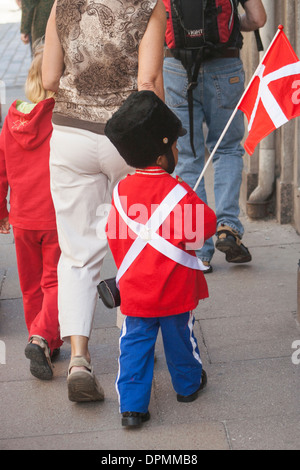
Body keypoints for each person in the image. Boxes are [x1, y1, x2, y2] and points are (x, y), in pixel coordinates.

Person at [42, 0, 167, 403]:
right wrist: (164, 142)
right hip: (124, 137)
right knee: (135, 242)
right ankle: (133, 338)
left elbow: (48, 79)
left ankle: (79, 357)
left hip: (70, 136)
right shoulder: (149, 5)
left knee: (77, 252)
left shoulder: (62, 4)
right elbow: (148, 81)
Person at [104, 90, 217, 428]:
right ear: (163, 154)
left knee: (134, 347)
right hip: (175, 293)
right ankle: (187, 385)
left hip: (137, 294)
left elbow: (114, 234)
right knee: (181, 339)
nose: (178, 150)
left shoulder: (122, 191)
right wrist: (184, 195)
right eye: (175, 146)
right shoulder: (178, 192)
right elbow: (205, 227)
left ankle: (133, 407)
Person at [163, 0, 267, 272]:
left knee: (187, 156)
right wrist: (229, 27)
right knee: (228, 148)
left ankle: (199, 251)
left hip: (176, 68)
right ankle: (227, 226)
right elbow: (258, 19)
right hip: (226, 64)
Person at [0, 42, 63, 380]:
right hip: (53, 216)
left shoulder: (11, 119)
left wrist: (1, 213)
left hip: (22, 217)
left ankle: (43, 340)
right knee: (55, 280)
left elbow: (1, 170)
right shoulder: (60, 120)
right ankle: (43, 337)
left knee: (30, 286)